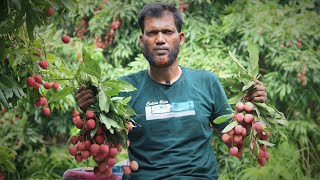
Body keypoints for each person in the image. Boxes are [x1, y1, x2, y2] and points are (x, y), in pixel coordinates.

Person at [76, 2, 267, 180]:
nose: (160, 40)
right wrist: (92, 110)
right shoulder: (123, 89)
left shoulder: (206, 82)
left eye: (168, 32)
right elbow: (102, 151)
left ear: (180, 38)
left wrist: (250, 111)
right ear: (142, 41)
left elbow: (234, 144)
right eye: (152, 33)